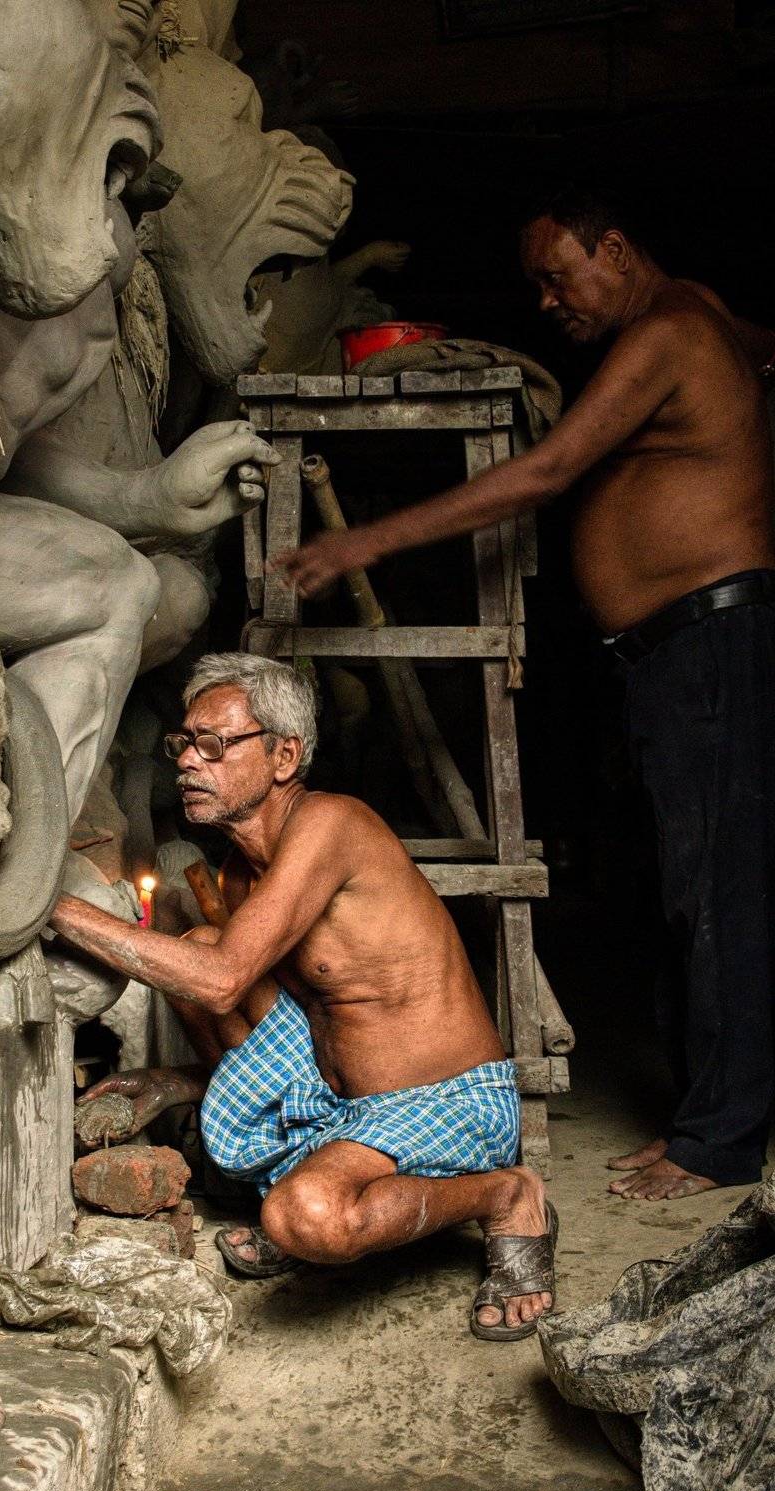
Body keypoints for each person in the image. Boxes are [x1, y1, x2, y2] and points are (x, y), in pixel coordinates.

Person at [274, 185, 775, 1202]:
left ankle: (717, 1144)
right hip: (682, 647)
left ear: (615, 248)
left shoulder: (668, 331)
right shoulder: (707, 317)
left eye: (557, 277)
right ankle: (702, 1118)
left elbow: (546, 471)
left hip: (712, 638)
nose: (547, 302)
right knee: (689, 888)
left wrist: (364, 541)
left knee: (719, 894)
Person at [51, 652, 557, 1342]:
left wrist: (52, 905)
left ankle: (507, 1192)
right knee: (199, 942)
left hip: (446, 1102)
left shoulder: (331, 823)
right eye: (183, 743)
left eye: (214, 745)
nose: (188, 762)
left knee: (307, 1217)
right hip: (339, 1105)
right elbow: (270, 1008)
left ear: (284, 756)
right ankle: (315, 1166)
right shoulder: (238, 875)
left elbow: (222, 979)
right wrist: (177, 1082)